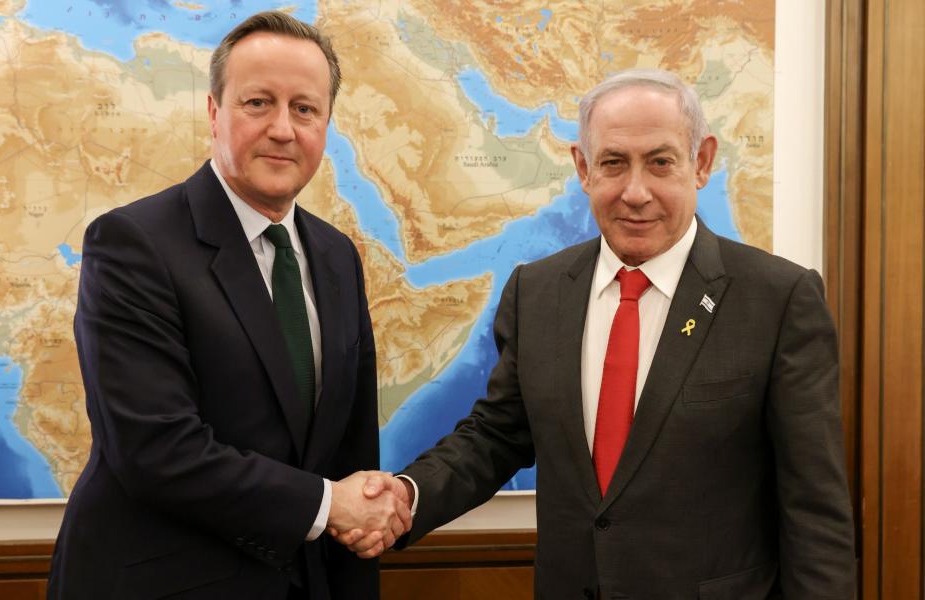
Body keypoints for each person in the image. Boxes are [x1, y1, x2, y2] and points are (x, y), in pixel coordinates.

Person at [345, 68, 856, 598]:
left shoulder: (778, 299)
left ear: (700, 162)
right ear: (583, 168)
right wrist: (407, 496)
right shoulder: (537, 292)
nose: (636, 192)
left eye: (660, 162)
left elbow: (815, 511)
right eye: (614, 163)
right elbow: (497, 435)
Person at [48, 11, 409, 600]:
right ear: (215, 113)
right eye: (258, 103)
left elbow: (348, 448)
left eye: (305, 109)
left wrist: (361, 518)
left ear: (326, 124)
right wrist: (327, 506)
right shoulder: (132, 243)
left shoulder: (336, 254)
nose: (283, 129)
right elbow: (155, 449)